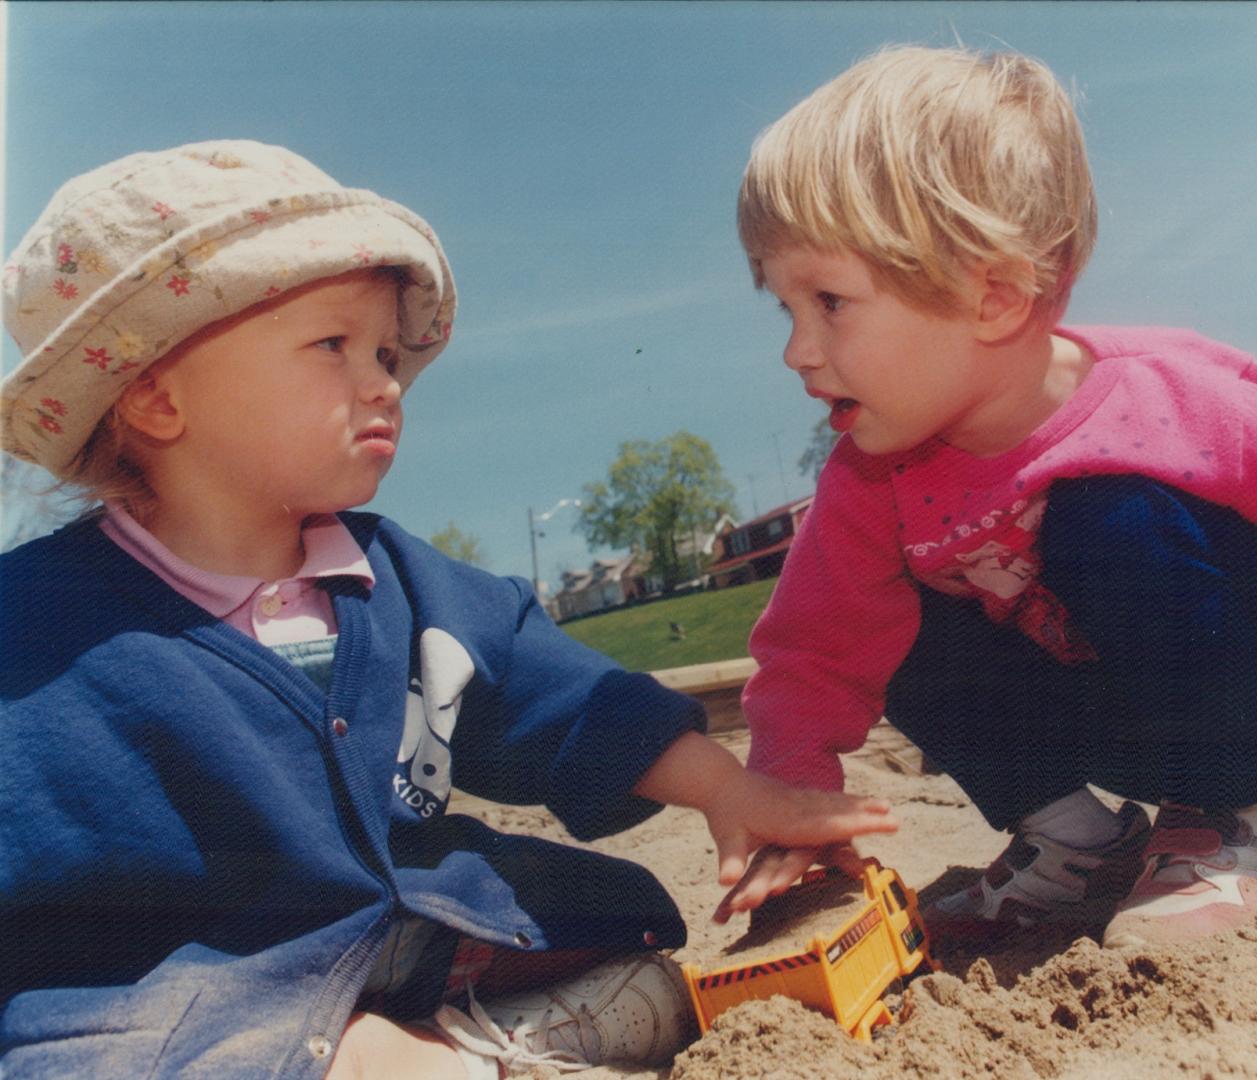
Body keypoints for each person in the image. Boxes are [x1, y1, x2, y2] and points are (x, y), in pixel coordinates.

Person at [0, 141, 896, 1079]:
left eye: (387, 352)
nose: (385, 380)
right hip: (201, 979)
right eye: (332, 345)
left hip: (407, 936)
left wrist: (731, 791)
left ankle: (454, 1047)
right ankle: (419, 1058)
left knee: (615, 935)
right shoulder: (39, 628)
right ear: (153, 396)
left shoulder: (402, 584)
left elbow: (567, 699)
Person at [718, 46, 1257, 948]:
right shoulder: (871, 478)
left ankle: (1235, 817)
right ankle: (1080, 848)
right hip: (1113, 716)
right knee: (887, 615)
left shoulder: (1175, 400)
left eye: (830, 301)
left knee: (1105, 514)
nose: (796, 350)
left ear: (992, 295)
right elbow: (814, 655)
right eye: (783, 308)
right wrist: (791, 794)